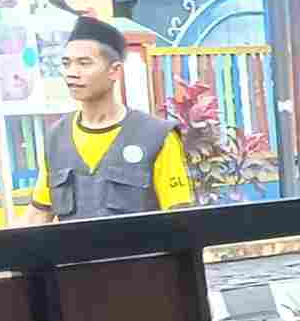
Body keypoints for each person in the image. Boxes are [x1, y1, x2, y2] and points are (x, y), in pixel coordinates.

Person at [40, 16, 193, 221]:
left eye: (84, 63)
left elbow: (180, 219)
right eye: (67, 64)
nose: (72, 73)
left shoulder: (156, 136)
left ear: (114, 70)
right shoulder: (56, 138)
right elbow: (40, 213)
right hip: (76, 254)